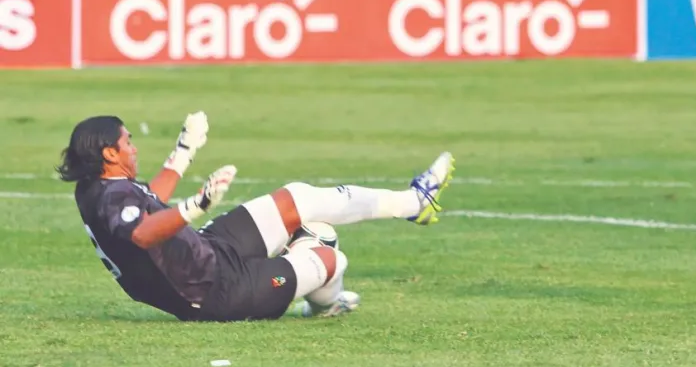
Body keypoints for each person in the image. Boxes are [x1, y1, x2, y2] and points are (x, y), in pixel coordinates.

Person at [57, 113, 455, 322]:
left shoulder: (98, 186)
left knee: (296, 198)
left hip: (205, 253)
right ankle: (325, 304)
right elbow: (144, 234)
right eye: (128, 141)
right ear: (109, 153)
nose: (134, 147)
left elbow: (149, 201)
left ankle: (413, 202)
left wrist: (184, 151)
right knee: (329, 253)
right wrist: (197, 204)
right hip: (213, 293)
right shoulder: (110, 196)